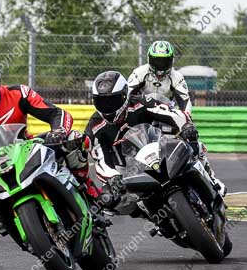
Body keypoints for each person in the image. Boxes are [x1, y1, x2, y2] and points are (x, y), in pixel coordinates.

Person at [0, 54, 91, 241]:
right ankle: (26, 232)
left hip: (28, 149)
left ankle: (88, 189)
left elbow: (57, 114)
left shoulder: (18, 94)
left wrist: (58, 132)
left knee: (76, 139)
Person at [85, 70, 225, 197]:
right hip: (126, 172)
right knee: (111, 202)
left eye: (112, 100)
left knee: (194, 146)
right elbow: (100, 161)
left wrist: (186, 126)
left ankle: (212, 180)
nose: (107, 106)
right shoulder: (95, 126)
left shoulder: (141, 103)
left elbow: (172, 113)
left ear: (124, 95)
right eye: (102, 101)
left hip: (156, 152)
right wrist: (112, 177)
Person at [127, 40, 192, 113]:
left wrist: (186, 118)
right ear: (149, 59)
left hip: (166, 114)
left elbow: (185, 101)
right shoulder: (139, 73)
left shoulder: (177, 77)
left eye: (164, 61)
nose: (160, 64)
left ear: (171, 60)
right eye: (157, 60)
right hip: (141, 113)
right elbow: (127, 94)